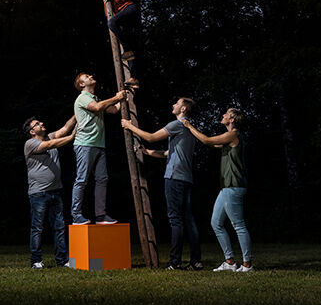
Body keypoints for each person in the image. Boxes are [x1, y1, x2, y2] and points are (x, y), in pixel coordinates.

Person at [122, 97, 202, 270]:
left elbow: (151, 137)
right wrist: (147, 153)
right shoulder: (190, 128)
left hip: (174, 178)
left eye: (177, 103)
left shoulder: (177, 125)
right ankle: (196, 261)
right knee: (189, 220)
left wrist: (129, 126)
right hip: (186, 178)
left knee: (176, 220)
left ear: (183, 109)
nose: (173, 104)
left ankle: (175, 262)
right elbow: (168, 153)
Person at [182, 108, 253, 272]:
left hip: (234, 186)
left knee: (238, 225)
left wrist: (188, 125)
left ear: (232, 120)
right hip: (226, 188)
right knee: (216, 223)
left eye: (226, 114)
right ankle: (229, 262)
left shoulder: (233, 134)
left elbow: (207, 140)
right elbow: (210, 143)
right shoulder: (228, 138)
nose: (223, 115)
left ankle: (247, 264)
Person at [68, 0, 139, 82]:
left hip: (128, 9)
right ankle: (134, 78)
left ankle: (129, 53)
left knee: (112, 24)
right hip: (118, 15)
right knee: (125, 44)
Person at [71, 72, 126, 225]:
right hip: (84, 144)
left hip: (98, 144)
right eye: (86, 77)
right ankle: (76, 216)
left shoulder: (96, 98)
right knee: (82, 180)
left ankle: (101, 216)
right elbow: (97, 108)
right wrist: (116, 97)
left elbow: (113, 110)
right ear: (82, 85)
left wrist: (126, 95)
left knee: (102, 179)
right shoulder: (83, 97)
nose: (90, 76)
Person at [23, 113, 76, 269]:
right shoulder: (30, 143)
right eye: (37, 124)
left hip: (56, 191)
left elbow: (65, 128)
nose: (41, 123)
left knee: (59, 227)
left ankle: (62, 261)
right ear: (32, 131)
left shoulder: (50, 136)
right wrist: (72, 137)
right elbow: (50, 146)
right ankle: (36, 261)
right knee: (37, 228)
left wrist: (77, 113)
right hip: (38, 193)